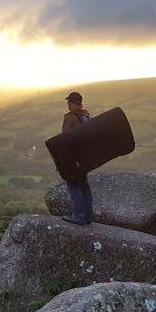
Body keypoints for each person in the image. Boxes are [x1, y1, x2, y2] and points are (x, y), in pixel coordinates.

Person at [61, 91, 92, 225]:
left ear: (73, 103)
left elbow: (64, 139)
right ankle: (88, 217)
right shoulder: (86, 116)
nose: (68, 104)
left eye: (69, 102)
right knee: (84, 186)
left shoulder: (71, 118)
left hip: (73, 159)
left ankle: (79, 216)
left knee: (74, 187)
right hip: (84, 157)